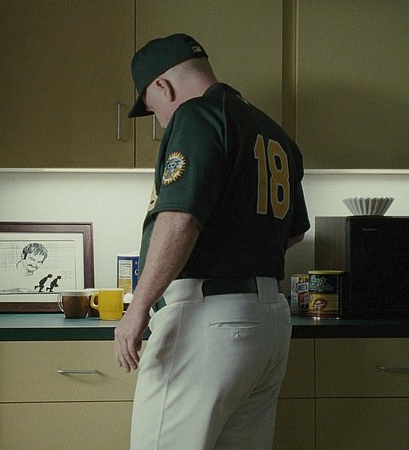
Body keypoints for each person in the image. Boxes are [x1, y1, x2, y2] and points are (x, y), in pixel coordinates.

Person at [113, 33, 310, 450]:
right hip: (269, 323)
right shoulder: (273, 132)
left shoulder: (196, 115)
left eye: (152, 108)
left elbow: (180, 220)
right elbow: (294, 231)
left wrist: (138, 307)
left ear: (163, 86)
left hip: (207, 321)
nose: (159, 121)